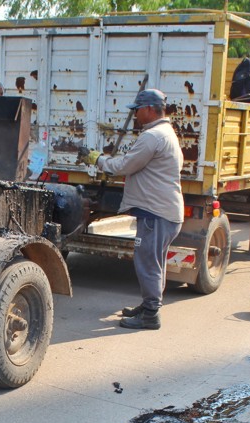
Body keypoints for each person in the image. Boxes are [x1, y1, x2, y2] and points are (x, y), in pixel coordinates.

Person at [78, 88, 184, 330]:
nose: (135, 115)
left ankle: (150, 315)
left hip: (156, 213)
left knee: (147, 262)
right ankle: (149, 306)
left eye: (137, 110)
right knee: (154, 262)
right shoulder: (166, 133)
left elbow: (124, 166)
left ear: (149, 109)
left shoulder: (153, 136)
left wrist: (96, 159)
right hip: (163, 212)